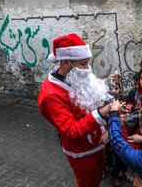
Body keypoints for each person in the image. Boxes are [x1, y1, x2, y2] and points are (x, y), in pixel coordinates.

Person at [38, 33, 113, 187]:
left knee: (97, 179)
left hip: (98, 143)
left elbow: (89, 95)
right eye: (83, 64)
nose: (88, 69)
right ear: (66, 62)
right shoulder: (50, 94)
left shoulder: (74, 76)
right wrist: (101, 113)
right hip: (83, 153)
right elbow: (72, 130)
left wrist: (108, 86)